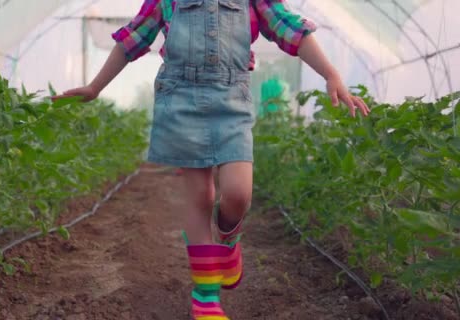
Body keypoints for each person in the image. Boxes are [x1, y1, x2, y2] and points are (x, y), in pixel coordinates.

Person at [52, 0, 370, 318]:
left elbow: (290, 29)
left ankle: (228, 243)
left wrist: (330, 73)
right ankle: (205, 296)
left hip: (232, 98)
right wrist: (95, 86)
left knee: (238, 194)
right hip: (179, 96)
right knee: (200, 196)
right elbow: (134, 38)